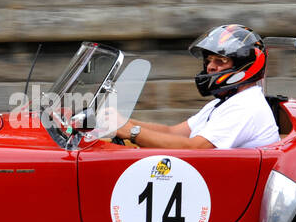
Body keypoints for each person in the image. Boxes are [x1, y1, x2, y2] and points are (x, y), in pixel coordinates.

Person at [111, 24, 279, 150]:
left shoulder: (245, 107)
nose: (210, 67)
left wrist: (132, 132)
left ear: (245, 66)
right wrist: (121, 121)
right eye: (208, 61)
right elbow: (171, 132)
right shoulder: (225, 102)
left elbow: (194, 148)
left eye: (220, 61)